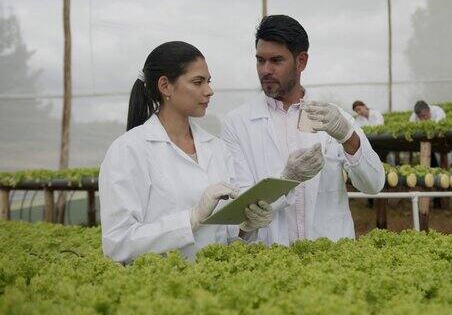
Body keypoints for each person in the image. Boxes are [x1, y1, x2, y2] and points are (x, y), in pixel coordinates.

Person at [99, 41, 273, 263]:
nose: (209, 91)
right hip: (163, 289)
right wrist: (192, 218)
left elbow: (224, 238)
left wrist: (246, 228)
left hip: (216, 286)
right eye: (197, 82)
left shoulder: (217, 148)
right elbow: (118, 244)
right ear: (165, 86)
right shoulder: (128, 151)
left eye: (208, 82)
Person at [221, 15, 385, 246]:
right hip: (269, 258)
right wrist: (285, 181)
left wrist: (348, 137)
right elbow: (242, 202)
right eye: (260, 60)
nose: (265, 70)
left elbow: (373, 184)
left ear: (301, 61)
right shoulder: (237, 123)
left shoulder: (334, 118)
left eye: (276, 60)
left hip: (330, 254)